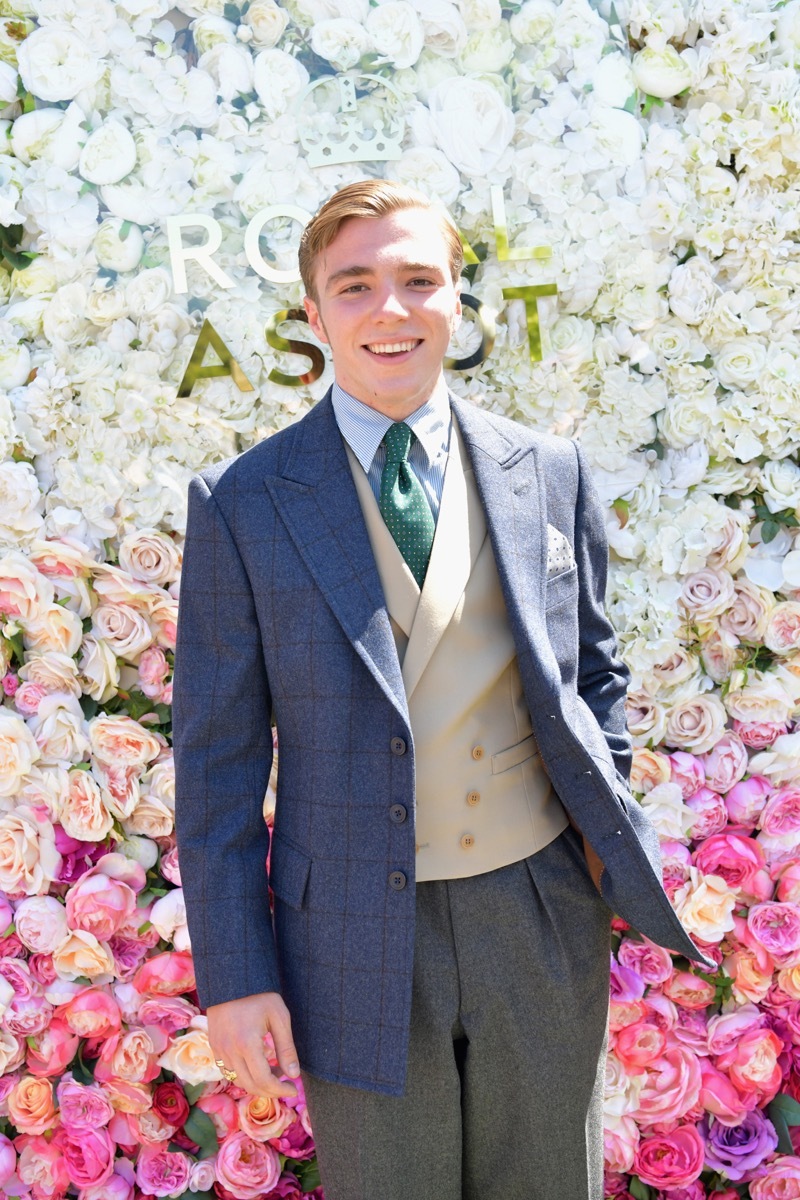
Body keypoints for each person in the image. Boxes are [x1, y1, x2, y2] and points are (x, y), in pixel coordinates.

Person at [173, 180, 706, 1200]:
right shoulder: (243, 502)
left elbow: (593, 671)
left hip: (537, 908)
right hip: (344, 935)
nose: (391, 309)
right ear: (313, 313)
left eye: (419, 280)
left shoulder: (546, 469)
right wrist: (236, 978)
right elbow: (215, 764)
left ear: (458, 299)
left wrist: (598, 835)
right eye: (355, 285)